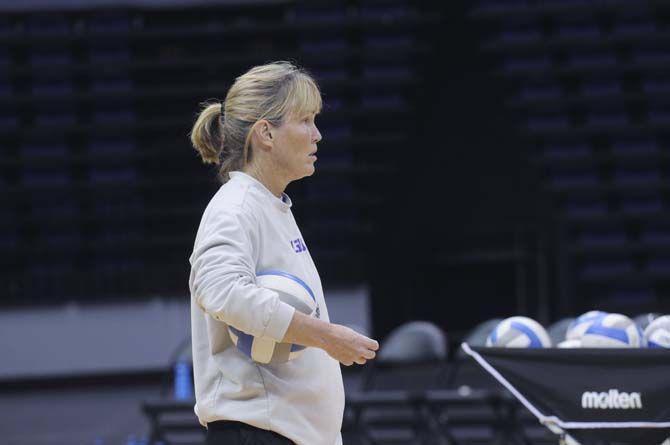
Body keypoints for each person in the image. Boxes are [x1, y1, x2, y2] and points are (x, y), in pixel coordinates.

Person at [188, 61, 379, 445]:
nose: (317, 135)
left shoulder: (269, 206)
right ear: (266, 134)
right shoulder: (236, 207)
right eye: (306, 120)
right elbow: (222, 290)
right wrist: (324, 336)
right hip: (257, 431)